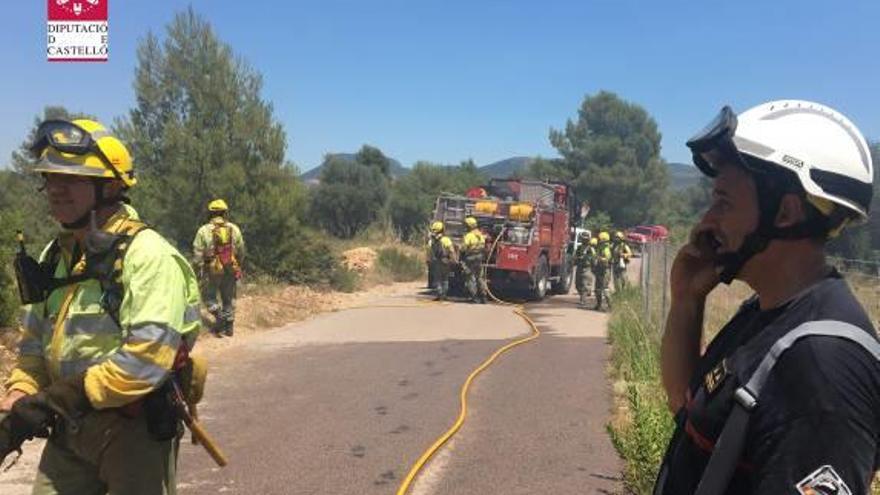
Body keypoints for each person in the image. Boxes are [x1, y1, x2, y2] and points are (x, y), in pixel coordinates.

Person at [655, 100, 880, 495]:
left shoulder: (822, 365)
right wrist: (686, 301)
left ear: (786, 213)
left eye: (723, 202)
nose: (707, 221)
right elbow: (685, 407)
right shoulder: (764, 313)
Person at [0, 119, 202, 494]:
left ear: (110, 185)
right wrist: (18, 399)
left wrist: (55, 401)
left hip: (131, 432)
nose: (56, 190)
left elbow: (146, 360)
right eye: (50, 178)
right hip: (68, 429)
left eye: (72, 179)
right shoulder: (56, 255)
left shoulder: (148, 254)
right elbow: (33, 344)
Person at [193, 199, 245, 337]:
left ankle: (219, 315)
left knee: (208, 297)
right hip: (230, 268)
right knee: (228, 298)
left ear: (210, 213)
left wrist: (198, 270)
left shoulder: (203, 231)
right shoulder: (234, 229)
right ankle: (229, 327)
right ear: (225, 213)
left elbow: (198, 254)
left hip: (212, 269)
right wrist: (238, 265)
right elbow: (241, 250)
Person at [426, 221, 457, 300]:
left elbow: (429, 253)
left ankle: (439, 294)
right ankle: (444, 295)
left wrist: (429, 261)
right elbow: (451, 251)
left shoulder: (431, 241)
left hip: (436, 262)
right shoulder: (446, 240)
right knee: (445, 278)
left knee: (438, 279)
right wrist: (454, 260)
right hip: (445, 261)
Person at [460, 216, 487, 304]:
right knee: (480, 277)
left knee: (470, 277)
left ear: (469, 226)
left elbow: (464, 248)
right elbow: (483, 245)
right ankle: (483, 296)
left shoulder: (468, 236)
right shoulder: (480, 235)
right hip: (479, 258)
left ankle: (474, 297)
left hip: (470, 259)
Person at [592, 231, 612, 311]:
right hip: (599, 270)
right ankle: (598, 305)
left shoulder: (606, 249)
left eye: (600, 239)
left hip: (605, 270)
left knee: (605, 289)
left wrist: (599, 259)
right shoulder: (600, 248)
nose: (598, 240)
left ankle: (610, 306)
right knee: (597, 289)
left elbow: (608, 258)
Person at [574, 232, 595, 306]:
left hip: (587, 268)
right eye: (583, 238)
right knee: (577, 284)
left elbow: (594, 257)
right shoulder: (580, 247)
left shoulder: (591, 248)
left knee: (585, 285)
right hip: (579, 267)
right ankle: (583, 296)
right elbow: (576, 255)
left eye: (585, 239)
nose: (584, 240)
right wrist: (576, 259)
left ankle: (583, 300)